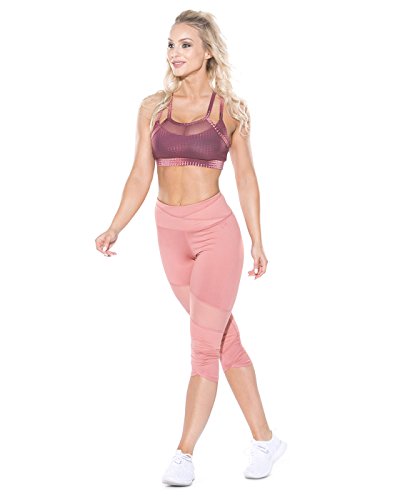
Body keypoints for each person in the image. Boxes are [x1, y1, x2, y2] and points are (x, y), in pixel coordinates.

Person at [94, 9, 287, 486]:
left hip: (216, 233)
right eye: (170, 44)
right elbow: (140, 174)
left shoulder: (230, 111)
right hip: (169, 235)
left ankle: (184, 454)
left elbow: (246, 177)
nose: (174, 53)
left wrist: (258, 239)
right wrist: (115, 225)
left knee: (203, 346)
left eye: (185, 45)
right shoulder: (152, 108)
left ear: (207, 53)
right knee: (224, 339)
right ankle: (266, 440)